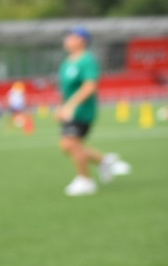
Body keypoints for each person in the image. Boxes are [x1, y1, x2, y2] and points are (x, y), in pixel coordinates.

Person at [56, 27, 127, 196]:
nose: (66, 40)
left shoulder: (87, 60)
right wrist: (62, 106)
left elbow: (89, 86)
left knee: (70, 144)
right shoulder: (67, 62)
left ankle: (85, 180)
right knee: (67, 146)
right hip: (70, 109)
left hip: (82, 110)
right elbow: (67, 90)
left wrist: (70, 106)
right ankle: (104, 161)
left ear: (81, 40)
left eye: (70, 37)